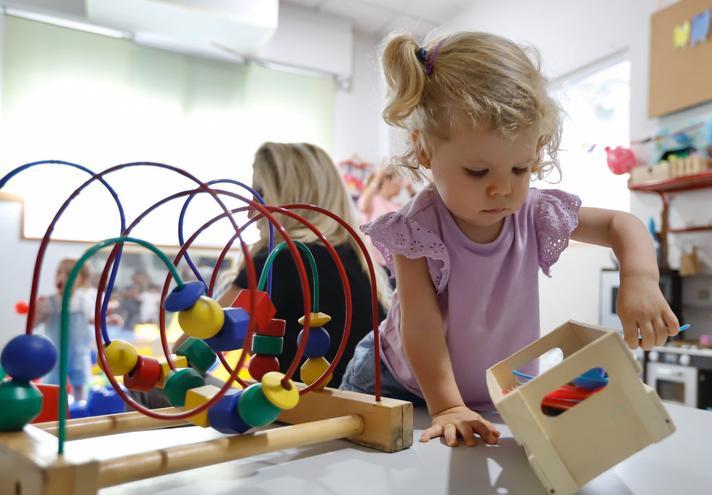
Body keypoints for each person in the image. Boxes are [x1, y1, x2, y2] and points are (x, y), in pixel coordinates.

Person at [339, 32, 680, 448]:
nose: (503, 190)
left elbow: (620, 225)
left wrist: (641, 278)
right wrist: (447, 407)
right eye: (479, 173)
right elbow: (421, 325)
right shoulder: (417, 228)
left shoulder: (532, 211)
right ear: (424, 150)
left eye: (520, 169)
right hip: (397, 383)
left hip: (488, 396)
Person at [216, 142, 392, 389]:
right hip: (363, 410)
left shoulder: (281, 259)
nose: (249, 212)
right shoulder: (359, 262)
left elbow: (192, 343)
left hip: (300, 412)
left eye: (261, 195)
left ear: (292, 198)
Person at [35, 258, 96, 402]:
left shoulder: (84, 301)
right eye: (58, 272)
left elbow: (90, 320)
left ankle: (79, 409)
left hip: (79, 352)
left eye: (69, 274)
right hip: (55, 354)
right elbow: (32, 324)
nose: (61, 277)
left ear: (82, 280)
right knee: (53, 387)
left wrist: (107, 320)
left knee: (80, 385)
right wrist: (37, 311)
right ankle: (54, 411)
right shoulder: (49, 302)